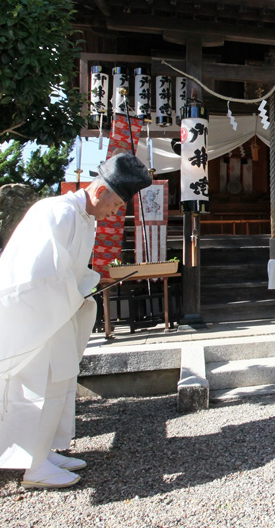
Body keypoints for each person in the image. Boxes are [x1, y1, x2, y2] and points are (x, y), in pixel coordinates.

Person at [0, 152, 151, 489]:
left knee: (59, 382)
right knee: (37, 384)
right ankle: (34, 466)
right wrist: (80, 288)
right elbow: (41, 276)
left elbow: (69, 272)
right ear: (100, 192)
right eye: (114, 206)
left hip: (60, 311)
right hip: (37, 315)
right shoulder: (57, 212)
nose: (114, 213)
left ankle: (42, 452)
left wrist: (84, 285)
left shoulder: (84, 218)